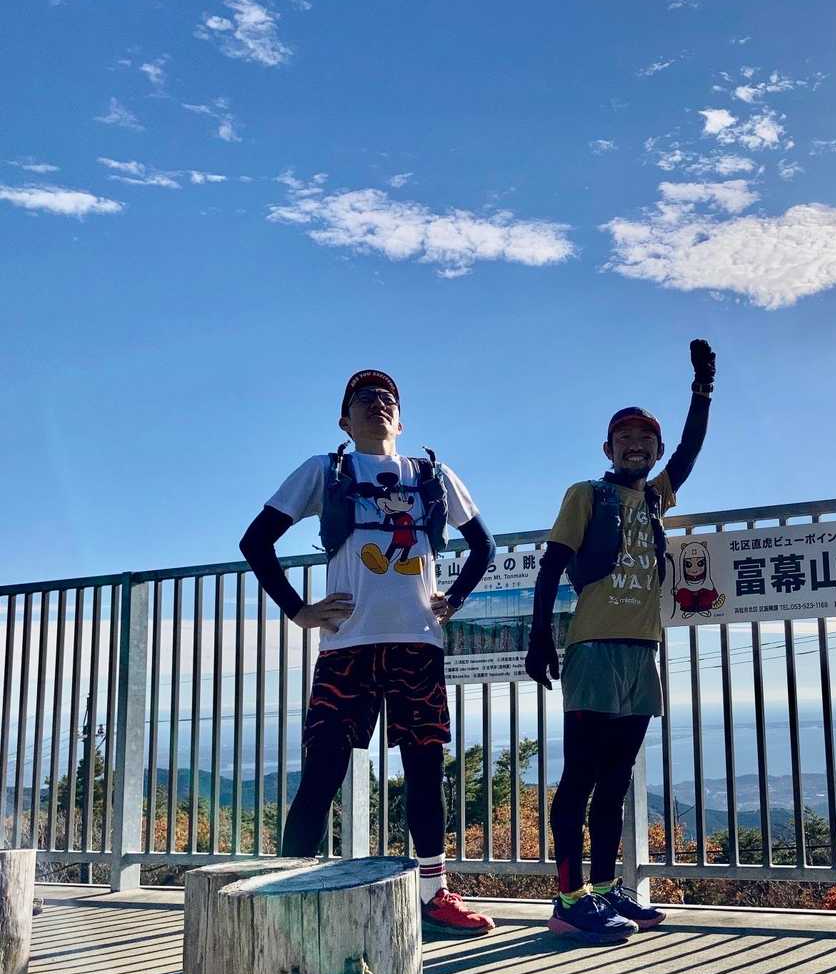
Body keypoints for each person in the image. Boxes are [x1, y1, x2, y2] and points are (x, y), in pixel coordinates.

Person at [239, 369, 498, 938]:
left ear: (400, 420)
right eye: (363, 398)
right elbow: (255, 541)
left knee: (425, 772)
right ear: (344, 420)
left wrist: (453, 599)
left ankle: (433, 895)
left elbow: (484, 545)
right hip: (347, 645)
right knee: (322, 774)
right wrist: (298, 609)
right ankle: (287, 901)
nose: (377, 403)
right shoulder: (325, 470)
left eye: (387, 398)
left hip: (417, 642)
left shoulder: (431, 475)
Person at [525, 340, 716, 943]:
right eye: (624, 437)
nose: (636, 445)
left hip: (642, 652)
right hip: (594, 647)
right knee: (581, 777)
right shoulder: (587, 494)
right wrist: (539, 637)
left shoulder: (656, 498)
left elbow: (690, 451)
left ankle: (606, 889)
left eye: (646, 439)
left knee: (616, 781)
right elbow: (552, 565)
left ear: (655, 452)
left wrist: (703, 389)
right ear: (607, 449)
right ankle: (569, 899)